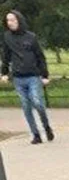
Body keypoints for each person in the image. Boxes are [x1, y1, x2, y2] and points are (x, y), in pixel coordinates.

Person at [1, 11, 53, 145]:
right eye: (8, 20)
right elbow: (5, 56)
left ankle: (46, 126)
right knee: (26, 106)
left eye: (12, 20)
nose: (10, 23)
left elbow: (40, 56)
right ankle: (35, 134)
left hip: (33, 76)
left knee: (37, 102)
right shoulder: (7, 37)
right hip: (18, 77)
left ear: (19, 20)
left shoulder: (31, 37)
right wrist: (5, 73)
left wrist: (45, 75)